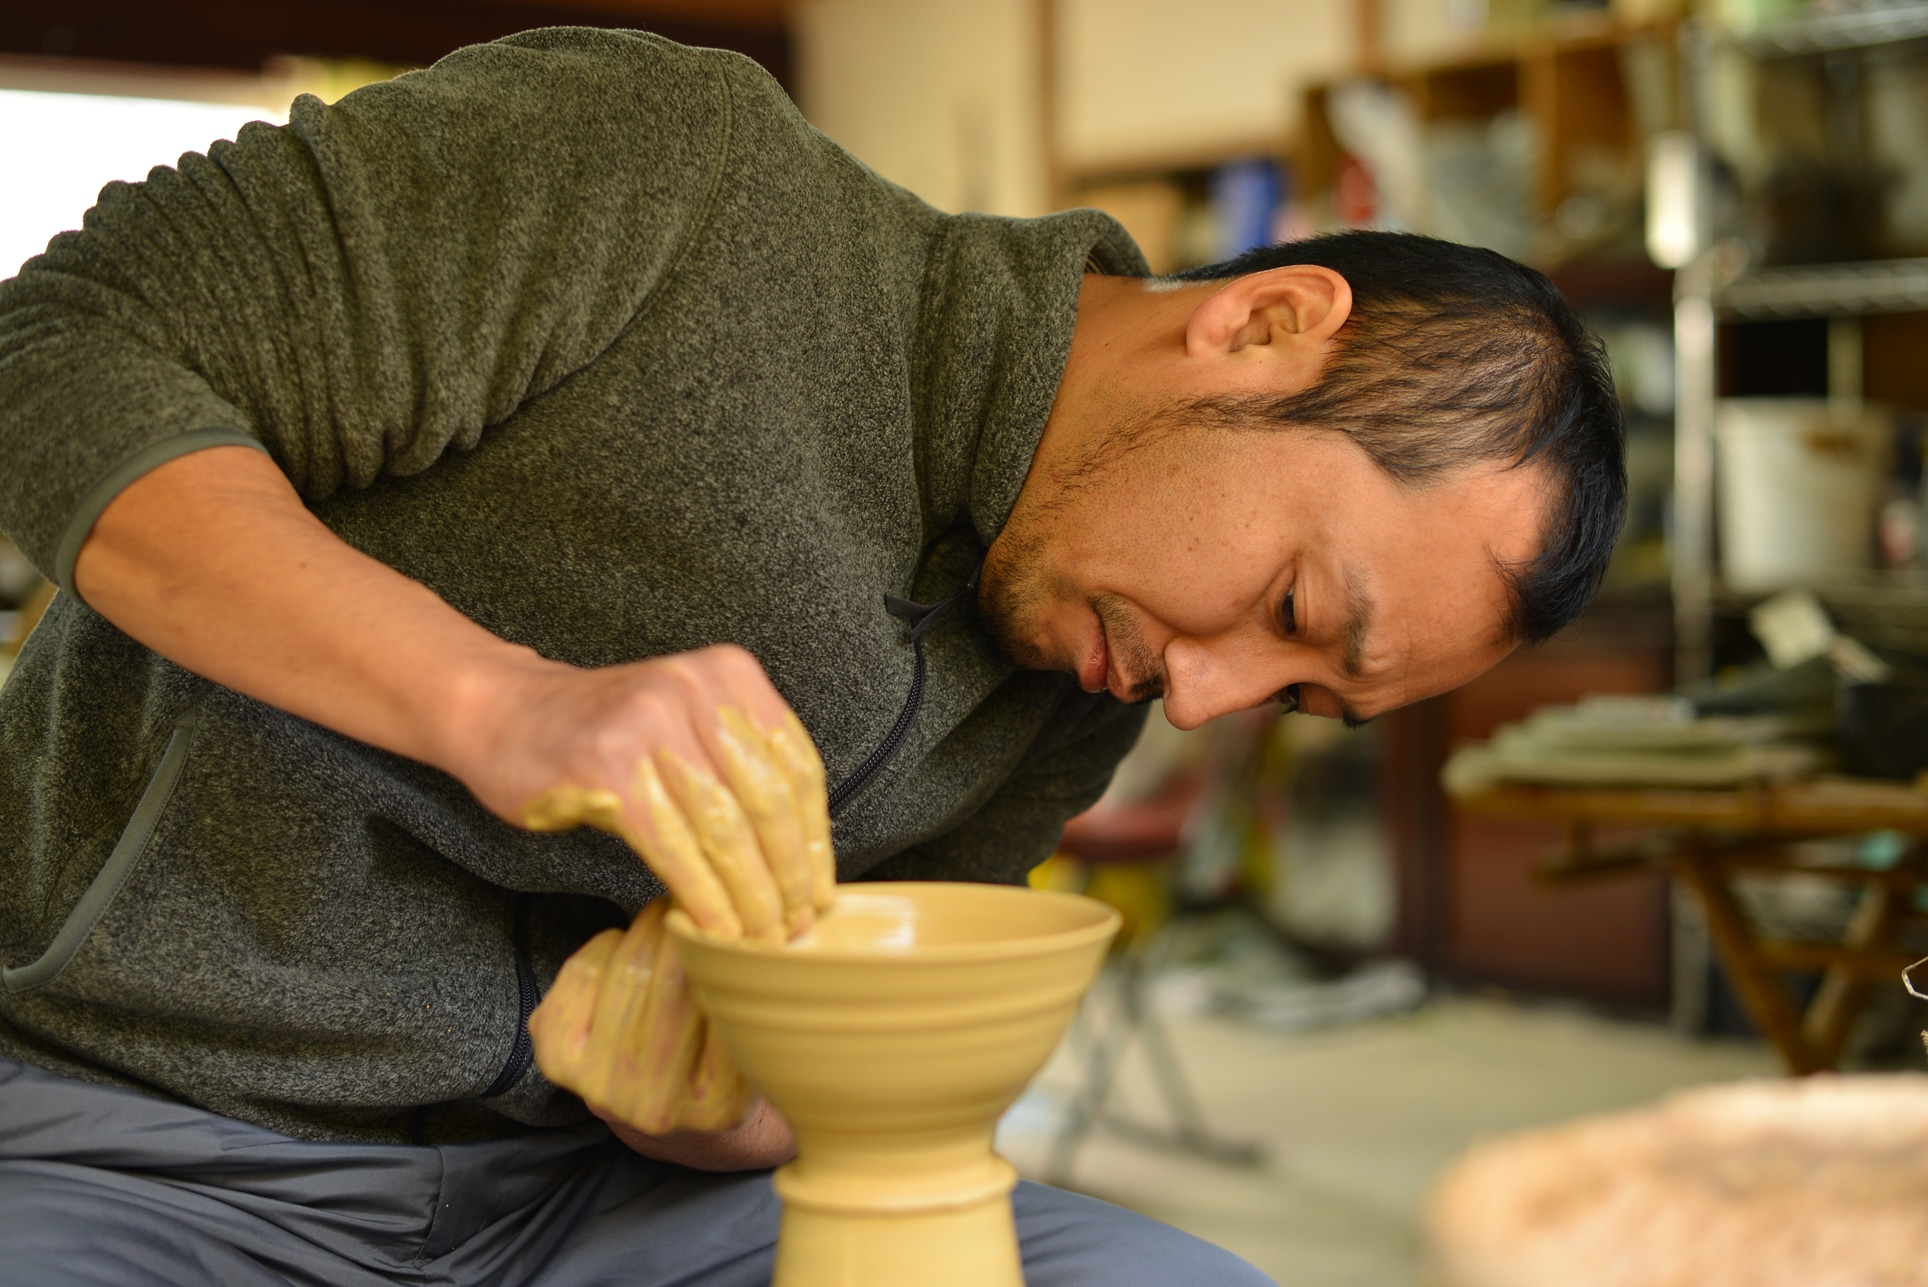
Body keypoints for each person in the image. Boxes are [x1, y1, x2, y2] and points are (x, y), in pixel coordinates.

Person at [0, 26, 1623, 1287]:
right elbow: (59, 344)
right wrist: (489, 699)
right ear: (1263, 327)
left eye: (1298, 699)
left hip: (598, 1208)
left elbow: (848, 1098)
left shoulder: (1085, 663)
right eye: (1290, 610)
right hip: (132, 1140)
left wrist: (728, 1111)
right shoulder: (669, 170)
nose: (1207, 697)